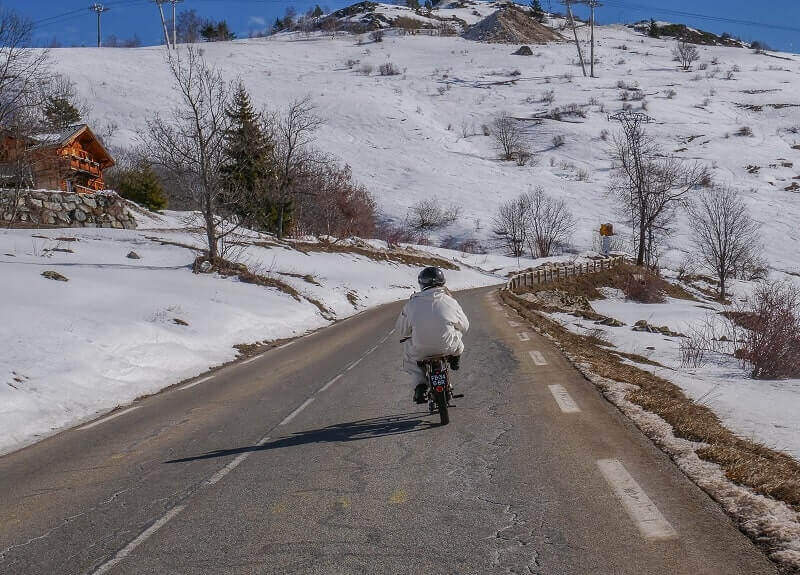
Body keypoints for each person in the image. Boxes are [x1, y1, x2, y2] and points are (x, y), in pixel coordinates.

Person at [395, 266, 470, 404]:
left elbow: (402, 330)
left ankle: (420, 386)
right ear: (443, 282)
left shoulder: (411, 304)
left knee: (409, 351)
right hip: (448, 347)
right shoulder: (450, 301)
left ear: (422, 284)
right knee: (457, 332)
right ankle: (455, 358)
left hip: (421, 350)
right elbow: (465, 326)